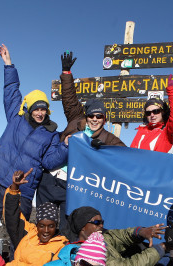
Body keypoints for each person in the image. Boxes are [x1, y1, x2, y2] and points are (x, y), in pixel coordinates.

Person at [0, 44, 68, 248]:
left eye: (44, 109)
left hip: (24, 190)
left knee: (19, 235)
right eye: (36, 108)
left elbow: (49, 160)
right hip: (0, 180)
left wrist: (64, 147)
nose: (40, 113)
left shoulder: (51, 134)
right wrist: (8, 65)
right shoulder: (16, 118)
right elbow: (11, 92)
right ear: (30, 108)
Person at [37, 51, 125, 232]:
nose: (94, 119)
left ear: (104, 119)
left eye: (99, 116)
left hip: (71, 187)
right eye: (91, 115)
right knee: (43, 225)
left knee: (63, 229)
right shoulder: (76, 121)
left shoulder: (109, 139)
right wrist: (66, 73)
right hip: (49, 178)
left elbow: (126, 157)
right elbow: (69, 99)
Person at [130, 70, 173, 152]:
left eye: (156, 111)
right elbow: (131, 154)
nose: (152, 115)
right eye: (148, 113)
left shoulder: (167, 132)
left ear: (162, 112)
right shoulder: (141, 131)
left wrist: (172, 89)